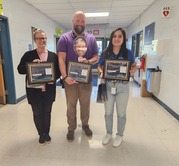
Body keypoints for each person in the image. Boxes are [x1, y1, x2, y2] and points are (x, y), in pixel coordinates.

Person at [57, 11, 99, 142]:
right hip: (71, 80)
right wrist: (64, 77)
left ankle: (85, 125)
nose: (80, 23)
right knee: (71, 105)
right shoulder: (64, 39)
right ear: (73, 21)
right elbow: (61, 59)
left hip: (86, 80)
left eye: (83, 21)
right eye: (78, 21)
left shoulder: (91, 39)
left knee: (85, 105)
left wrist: (89, 61)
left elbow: (96, 57)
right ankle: (71, 128)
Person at [17, 29, 60, 145]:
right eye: (39, 38)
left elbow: (58, 72)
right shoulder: (29, 55)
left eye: (44, 38)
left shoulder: (53, 56)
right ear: (35, 40)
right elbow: (20, 69)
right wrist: (30, 66)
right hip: (34, 91)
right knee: (37, 113)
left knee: (47, 112)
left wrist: (53, 79)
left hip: (49, 90)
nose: (42, 40)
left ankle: (47, 133)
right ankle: (40, 134)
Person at [98, 27, 137, 147]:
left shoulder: (128, 53)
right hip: (108, 85)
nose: (116, 38)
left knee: (121, 113)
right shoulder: (105, 52)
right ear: (111, 38)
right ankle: (108, 133)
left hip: (123, 87)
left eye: (119, 36)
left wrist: (132, 71)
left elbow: (134, 66)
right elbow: (100, 66)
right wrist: (101, 72)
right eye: (114, 36)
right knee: (108, 112)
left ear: (123, 39)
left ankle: (120, 135)